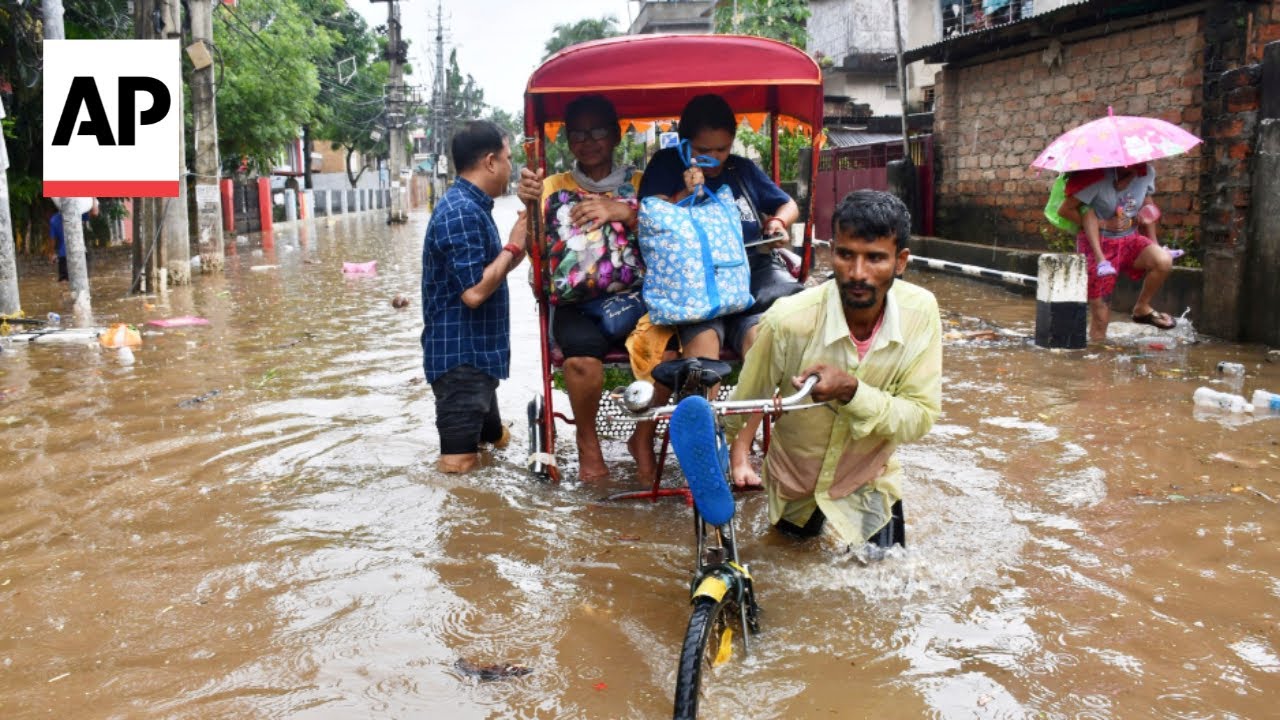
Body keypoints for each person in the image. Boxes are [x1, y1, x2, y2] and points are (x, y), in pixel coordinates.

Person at [724, 190, 942, 552]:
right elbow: (746, 401)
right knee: (789, 575)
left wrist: (851, 391)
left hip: (868, 478)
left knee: (882, 587)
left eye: (875, 258)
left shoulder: (921, 313)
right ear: (831, 252)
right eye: (846, 255)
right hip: (797, 481)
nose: (858, 274)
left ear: (900, 261)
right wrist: (712, 445)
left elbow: (919, 417)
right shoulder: (788, 320)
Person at [515, 94, 661, 483]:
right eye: (578, 133)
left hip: (639, 298)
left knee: (671, 350)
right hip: (577, 304)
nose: (589, 140)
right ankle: (587, 441)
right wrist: (530, 210)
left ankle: (642, 439)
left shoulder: (642, 185)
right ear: (567, 140)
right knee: (581, 362)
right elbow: (536, 250)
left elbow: (670, 242)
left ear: (615, 134)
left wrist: (625, 212)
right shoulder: (548, 188)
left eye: (598, 130)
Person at [638, 93, 802, 361]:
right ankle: (700, 404)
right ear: (684, 141)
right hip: (695, 288)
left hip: (751, 284)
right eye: (703, 151)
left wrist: (776, 222)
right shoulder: (666, 165)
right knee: (703, 354)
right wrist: (685, 195)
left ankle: (758, 402)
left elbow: (788, 205)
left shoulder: (742, 169)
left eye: (722, 149)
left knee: (760, 341)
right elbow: (649, 217)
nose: (714, 158)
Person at [421, 120, 528, 474]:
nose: (511, 167)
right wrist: (512, 244)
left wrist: (517, 247)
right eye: (509, 158)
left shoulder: (473, 207)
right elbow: (474, 292)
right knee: (458, 465)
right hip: (461, 359)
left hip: (478, 356)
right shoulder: (461, 212)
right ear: (490, 161)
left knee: (490, 446)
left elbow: (491, 272)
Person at [1064, 162, 1176, 340]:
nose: (1135, 171)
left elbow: (1147, 203)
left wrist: (1154, 241)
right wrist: (1105, 224)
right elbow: (1065, 210)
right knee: (1101, 319)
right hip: (1097, 246)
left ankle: (1142, 307)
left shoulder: (1146, 172)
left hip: (1130, 240)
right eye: (1129, 168)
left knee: (1163, 261)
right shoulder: (1094, 177)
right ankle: (1096, 361)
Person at [50, 198, 99, 282]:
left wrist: (52, 253)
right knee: (82, 281)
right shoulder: (77, 214)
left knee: (64, 283)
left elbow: (52, 239)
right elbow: (94, 213)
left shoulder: (54, 219)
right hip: (80, 252)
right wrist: (93, 198)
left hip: (64, 256)